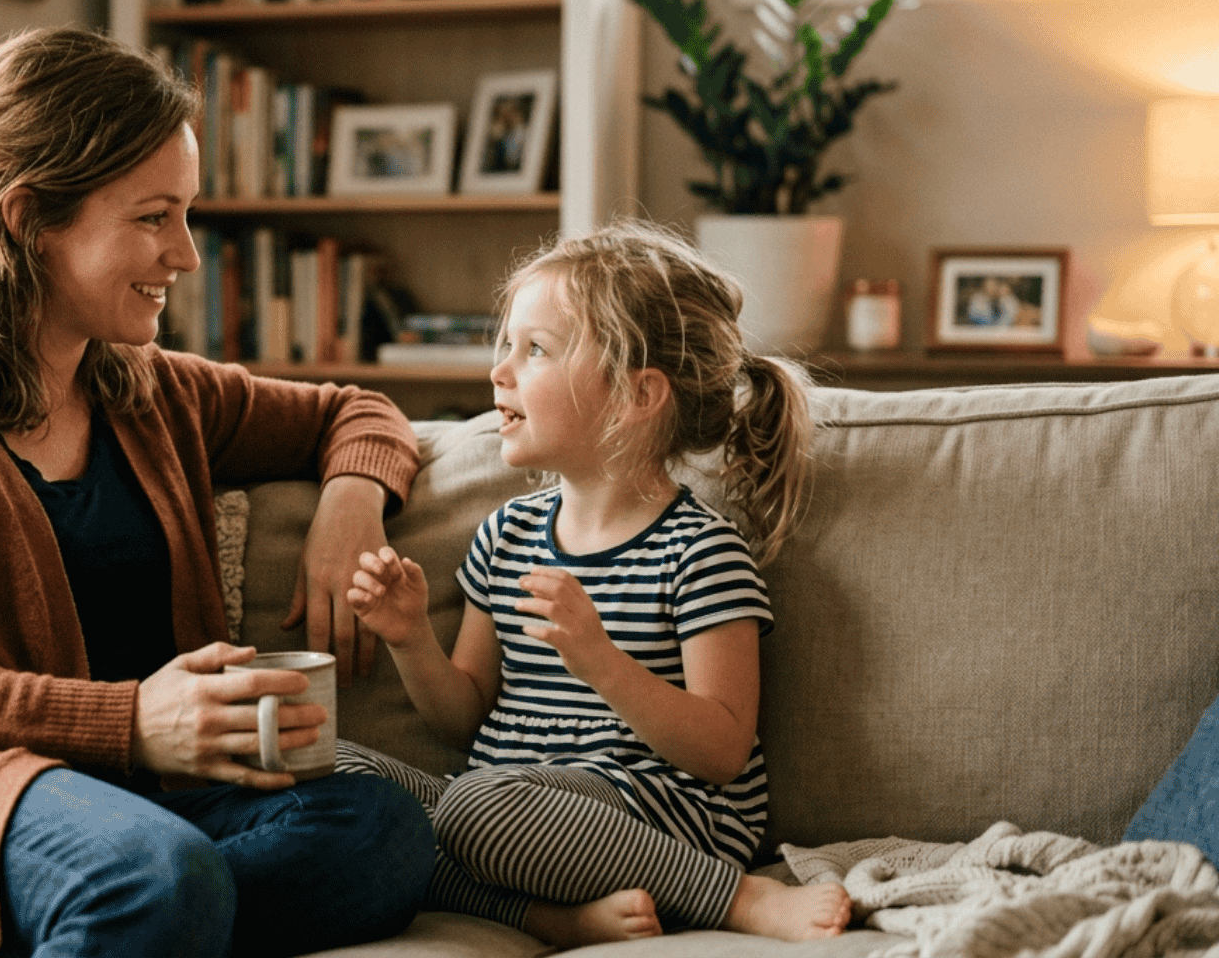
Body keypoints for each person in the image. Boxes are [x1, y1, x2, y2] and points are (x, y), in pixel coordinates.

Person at [0, 26, 434, 958]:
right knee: (153, 878)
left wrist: (351, 506)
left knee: (378, 831)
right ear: (26, 220)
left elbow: (357, 412)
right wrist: (131, 721)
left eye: (186, 215)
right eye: (152, 217)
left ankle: (126, 922)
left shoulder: (146, 387)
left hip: (123, 804)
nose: (187, 256)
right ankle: (142, 908)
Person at [333, 222, 854, 950]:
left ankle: (737, 901)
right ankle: (543, 918)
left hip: (659, 815)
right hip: (509, 806)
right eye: (504, 345)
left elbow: (723, 750)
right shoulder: (506, 536)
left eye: (535, 350)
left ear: (637, 395)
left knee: (476, 809)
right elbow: (463, 720)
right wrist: (409, 638)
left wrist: (602, 663)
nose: (500, 372)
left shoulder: (699, 552)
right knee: (331, 769)